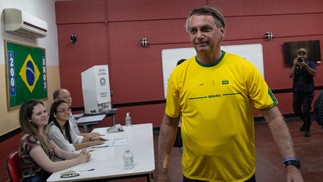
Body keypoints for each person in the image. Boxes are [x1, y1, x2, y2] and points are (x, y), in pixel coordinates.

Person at [158, 6, 303, 182]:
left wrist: (291, 163)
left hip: (240, 175)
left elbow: (273, 117)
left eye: (206, 29)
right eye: (193, 30)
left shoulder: (244, 69)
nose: (199, 36)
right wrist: (163, 169)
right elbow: (169, 123)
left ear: (221, 32)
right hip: (195, 175)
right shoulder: (179, 74)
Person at [19, 100, 91, 182]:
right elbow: (50, 167)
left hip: (47, 176)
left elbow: (61, 153)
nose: (44, 115)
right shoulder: (30, 140)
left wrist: (79, 155)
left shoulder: (43, 134)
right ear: (29, 119)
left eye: (45, 111)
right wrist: (78, 160)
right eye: (39, 114)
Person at [288, 48, 316, 137]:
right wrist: (294, 65)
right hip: (297, 91)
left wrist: (305, 66)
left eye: (303, 54)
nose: (301, 56)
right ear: (297, 56)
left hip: (308, 91)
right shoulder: (295, 64)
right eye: (299, 54)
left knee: (306, 110)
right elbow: (290, 75)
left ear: (306, 55)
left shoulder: (310, 63)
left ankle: (307, 129)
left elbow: (314, 73)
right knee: (296, 110)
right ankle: (306, 122)